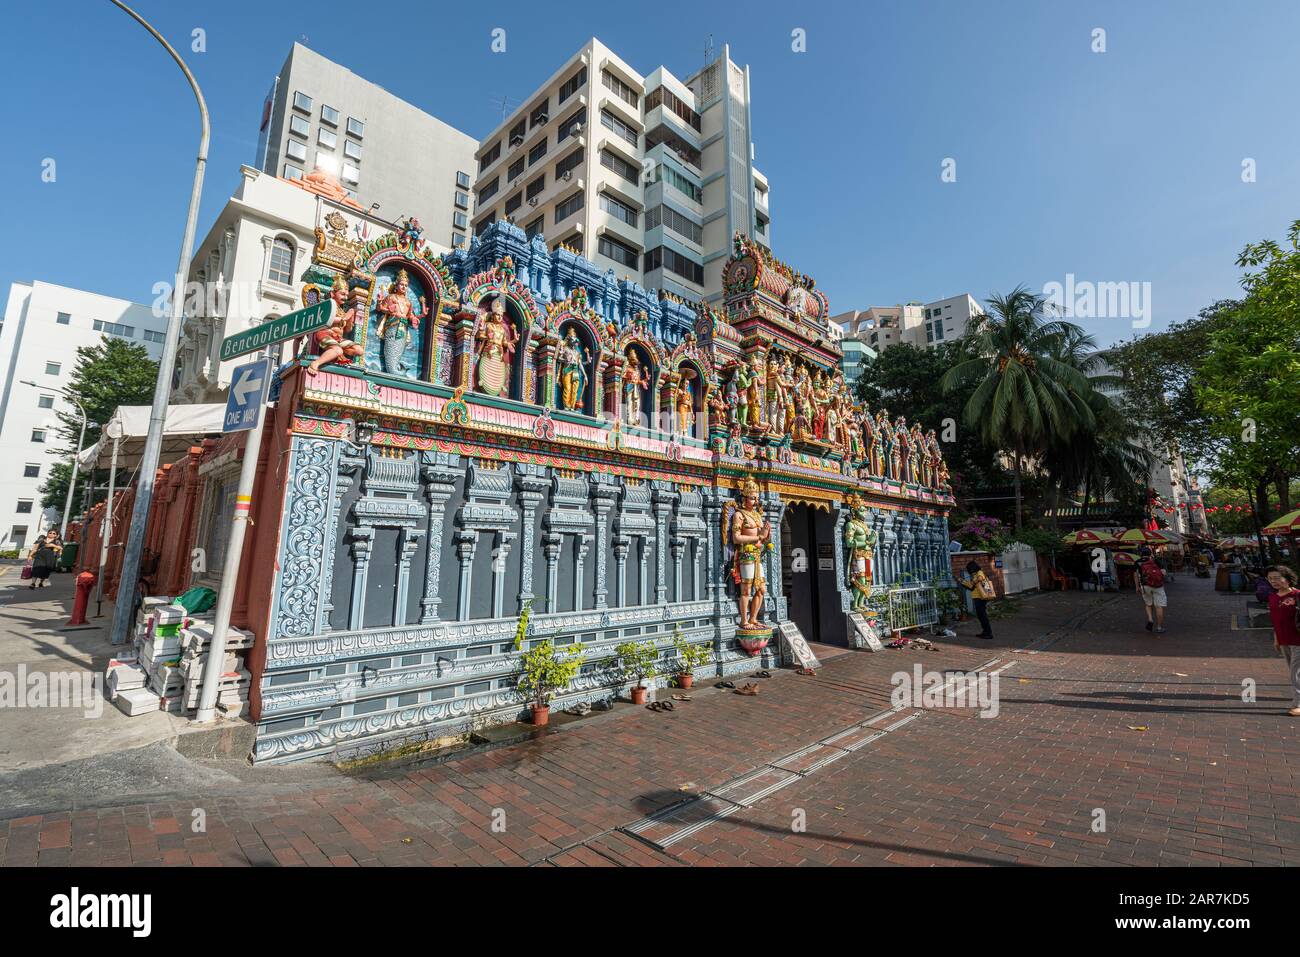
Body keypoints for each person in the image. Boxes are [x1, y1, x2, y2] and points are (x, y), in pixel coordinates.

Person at [1265, 566, 1300, 716]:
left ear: (1287, 578)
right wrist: (1276, 639)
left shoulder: (1297, 595)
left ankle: (1298, 704)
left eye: (1277, 578)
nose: (1274, 581)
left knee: (1295, 672)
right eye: (1270, 578)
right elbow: (1275, 621)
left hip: (1298, 639)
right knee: (1295, 671)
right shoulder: (1273, 597)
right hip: (1284, 640)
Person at [959, 560, 995, 640]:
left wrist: (974, 580)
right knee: (980, 616)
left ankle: (989, 633)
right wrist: (962, 581)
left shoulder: (979, 573)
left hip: (981, 597)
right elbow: (971, 587)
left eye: (969, 570)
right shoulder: (975, 575)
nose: (969, 572)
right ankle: (985, 632)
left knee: (983, 616)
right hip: (977, 597)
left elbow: (980, 579)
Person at [1136, 546, 1168, 633]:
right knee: (1159, 606)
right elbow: (1164, 573)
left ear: (1141, 554)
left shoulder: (1138, 562)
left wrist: (1137, 586)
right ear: (1150, 554)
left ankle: (1150, 619)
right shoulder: (1156, 561)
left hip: (1145, 586)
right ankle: (1159, 627)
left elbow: (1135, 575)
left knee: (1148, 604)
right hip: (1158, 586)